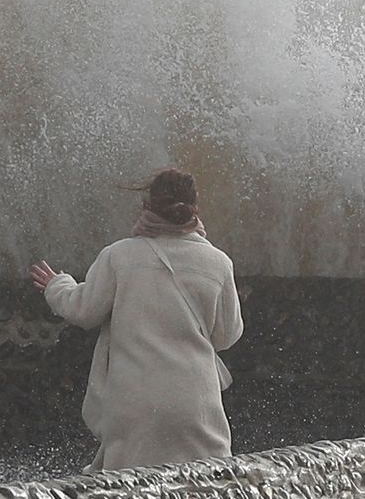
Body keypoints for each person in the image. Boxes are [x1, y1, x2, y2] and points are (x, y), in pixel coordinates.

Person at [27, 169, 243, 472]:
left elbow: (84, 310)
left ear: (147, 205)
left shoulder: (120, 256)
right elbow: (227, 335)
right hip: (196, 403)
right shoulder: (218, 263)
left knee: (129, 494)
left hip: (137, 402)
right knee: (203, 489)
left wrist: (57, 285)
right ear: (196, 208)